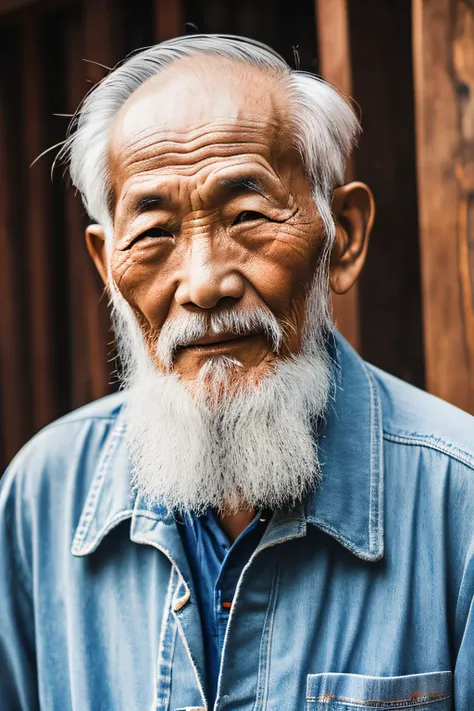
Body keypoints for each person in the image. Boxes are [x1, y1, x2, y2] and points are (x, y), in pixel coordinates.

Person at [0, 34, 472, 711]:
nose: (204, 283)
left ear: (344, 236)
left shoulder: (459, 505)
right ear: (108, 269)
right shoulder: (41, 500)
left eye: (248, 216)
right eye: (156, 233)